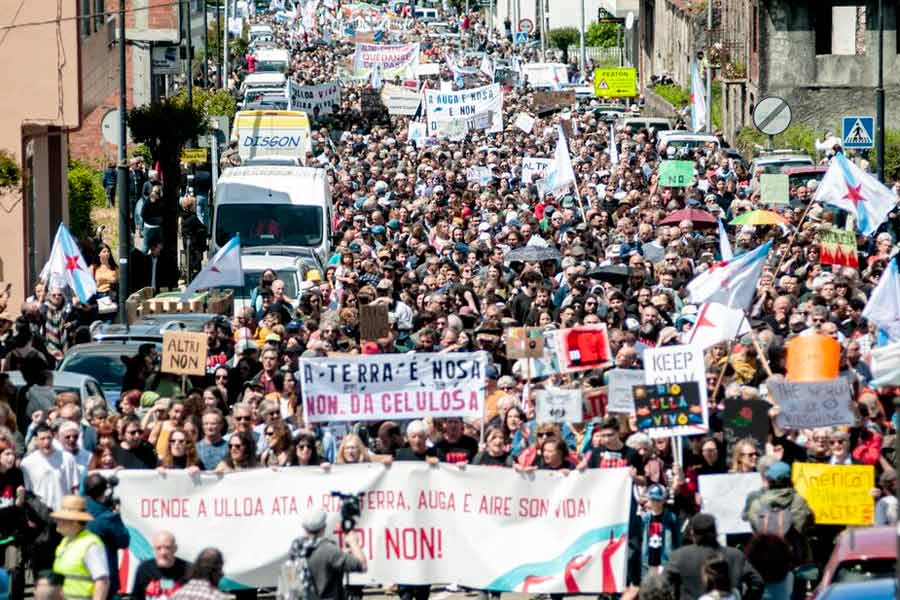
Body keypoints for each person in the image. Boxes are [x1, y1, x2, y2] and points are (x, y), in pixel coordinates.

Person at [664, 513, 763, 600]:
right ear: (716, 532)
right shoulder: (735, 555)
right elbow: (757, 582)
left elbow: (662, 585)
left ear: (692, 533)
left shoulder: (680, 556)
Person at [285, 509, 367, 600]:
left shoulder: (296, 548)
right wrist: (353, 542)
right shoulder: (329, 550)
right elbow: (362, 565)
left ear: (304, 527)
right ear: (324, 527)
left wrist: (340, 554)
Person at [50, 494, 110, 600]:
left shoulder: (91, 544)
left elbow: (102, 581)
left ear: (74, 522)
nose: (57, 521)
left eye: (61, 518)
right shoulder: (65, 542)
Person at [84, 474, 130, 599]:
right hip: (105, 576)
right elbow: (124, 541)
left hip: (82, 577)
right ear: (104, 492)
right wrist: (117, 515)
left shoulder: (80, 510)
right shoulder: (108, 517)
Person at [131, 531, 191, 600]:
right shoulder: (144, 569)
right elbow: (136, 597)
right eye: (158, 548)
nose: (163, 552)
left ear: (175, 548)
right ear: (153, 549)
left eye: (167, 548)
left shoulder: (188, 569)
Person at [640, 484, 681, 578]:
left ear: (663, 500)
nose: (655, 502)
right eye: (653, 499)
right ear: (649, 500)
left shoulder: (671, 518)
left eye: (658, 500)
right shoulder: (645, 519)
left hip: (665, 562)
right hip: (647, 563)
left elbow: (677, 541)